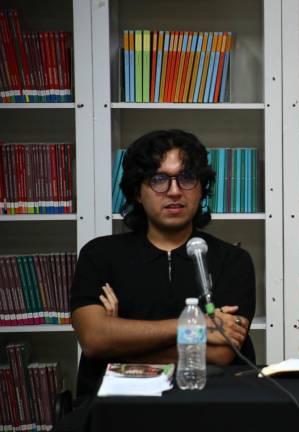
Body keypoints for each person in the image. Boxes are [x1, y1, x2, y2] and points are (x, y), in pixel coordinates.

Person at [70, 129, 256, 398]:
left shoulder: (232, 260)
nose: (174, 191)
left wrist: (120, 341)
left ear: (202, 187)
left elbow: (221, 352)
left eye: (187, 178)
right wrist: (195, 326)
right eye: (159, 179)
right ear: (137, 191)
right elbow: (94, 340)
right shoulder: (99, 255)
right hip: (117, 410)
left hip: (210, 406)